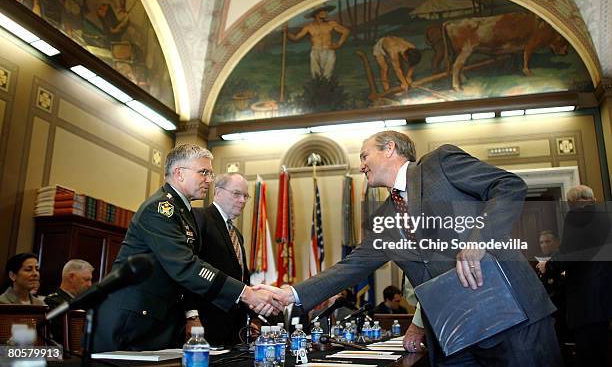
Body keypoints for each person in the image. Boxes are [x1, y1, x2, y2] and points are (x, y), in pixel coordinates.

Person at [259, 130, 560, 366]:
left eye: (365, 155)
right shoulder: (382, 219)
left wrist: (480, 238)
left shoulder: (438, 164)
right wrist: (291, 294)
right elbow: (350, 267)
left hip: (511, 318)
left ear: (389, 148)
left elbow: (509, 186)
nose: (361, 165)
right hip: (453, 335)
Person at [92, 144, 283, 352]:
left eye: (210, 173)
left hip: (159, 319)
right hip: (133, 319)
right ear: (179, 173)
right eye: (204, 172)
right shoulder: (160, 209)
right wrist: (245, 293)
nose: (209, 180)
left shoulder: (184, 212)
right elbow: (186, 266)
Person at [537, 185, 612, 366]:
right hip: (605, 294)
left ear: (572, 203)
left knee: (589, 355)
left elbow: (570, 253)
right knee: (603, 351)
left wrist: (548, 265)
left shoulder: (577, 215)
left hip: (586, 297)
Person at [193, 173, 251, 345]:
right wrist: (191, 315)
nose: (242, 200)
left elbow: (241, 276)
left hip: (235, 325)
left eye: (245, 196)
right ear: (217, 192)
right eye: (236, 194)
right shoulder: (199, 218)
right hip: (206, 322)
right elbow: (191, 269)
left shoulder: (237, 234)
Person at [285, 5, 350, 79]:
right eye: (323, 11)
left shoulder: (331, 24)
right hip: (315, 51)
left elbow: (346, 31)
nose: (326, 12)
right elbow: (295, 38)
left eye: (326, 11)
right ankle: (317, 89)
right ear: (316, 14)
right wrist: (286, 32)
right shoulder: (309, 27)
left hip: (329, 50)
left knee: (328, 74)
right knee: (316, 75)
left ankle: (327, 89)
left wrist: (338, 44)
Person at [44, 259, 94, 342]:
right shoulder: (53, 302)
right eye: (86, 279)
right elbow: (61, 337)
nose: (90, 284)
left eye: (90, 280)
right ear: (71, 277)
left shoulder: (85, 302)